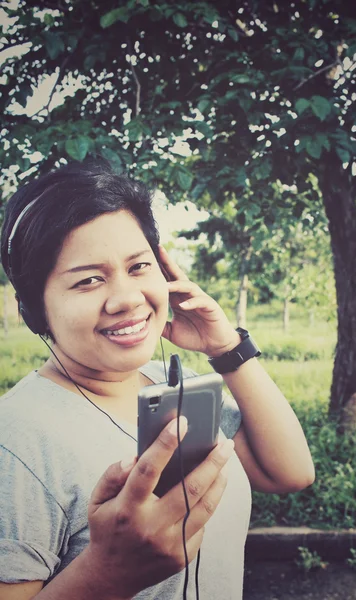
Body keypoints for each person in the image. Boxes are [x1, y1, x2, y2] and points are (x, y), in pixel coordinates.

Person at [0, 158, 315, 600]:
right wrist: (103, 576)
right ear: (34, 309)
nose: (127, 299)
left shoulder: (175, 386)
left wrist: (227, 349)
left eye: (138, 267)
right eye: (89, 280)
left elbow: (289, 472)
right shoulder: (15, 443)